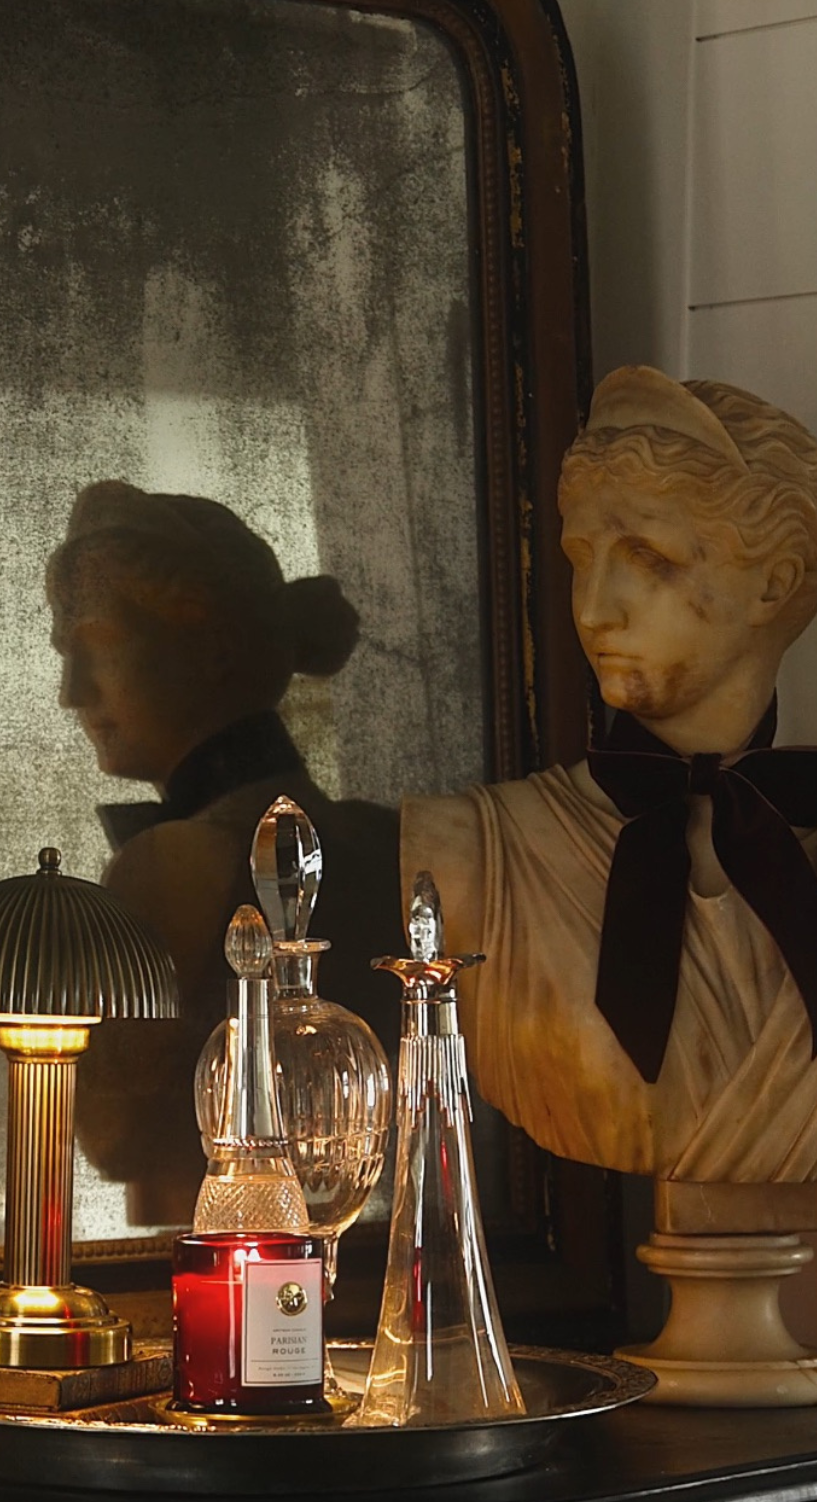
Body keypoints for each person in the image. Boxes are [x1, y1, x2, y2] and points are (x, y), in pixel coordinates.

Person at [404, 368, 817, 1182]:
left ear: (774, 581)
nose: (593, 609)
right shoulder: (470, 858)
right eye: (580, 558)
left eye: (646, 557)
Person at [46, 481, 401, 1225]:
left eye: (98, 646)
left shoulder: (174, 861)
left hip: (220, 1257)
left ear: (208, 650)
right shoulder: (382, 838)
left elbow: (110, 1140)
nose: (72, 692)